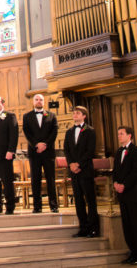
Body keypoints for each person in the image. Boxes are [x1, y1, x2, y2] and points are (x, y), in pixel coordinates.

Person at [113, 125, 137, 264]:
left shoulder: (136, 151)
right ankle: (133, 252)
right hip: (122, 194)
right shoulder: (118, 152)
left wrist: (124, 185)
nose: (119, 136)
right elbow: (116, 170)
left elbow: (136, 171)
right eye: (118, 134)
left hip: (133, 193)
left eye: (121, 133)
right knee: (127, 225)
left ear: (129, 136)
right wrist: (115, 182)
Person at [63, 106, 98, 237]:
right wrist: (71, 164)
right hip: (74, 171)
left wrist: (79, 164)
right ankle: (83, 228)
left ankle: (93, 228)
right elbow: (66, 150)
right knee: (78, 200)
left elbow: (90, 151)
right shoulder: (69, 132)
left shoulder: (90, 131)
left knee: (90, 199)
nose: (75, 115)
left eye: (78, 113)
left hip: (85, 170)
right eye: (74, 113)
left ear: (84, 116)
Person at [22, 93, 59, 213]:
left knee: (51, 179)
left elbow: (54, 132)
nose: (39, 101)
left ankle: (54, 205)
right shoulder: (27, 116)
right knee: (35, 179)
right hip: (34, 152)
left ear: (44, 102)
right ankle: (37, 206)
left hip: (48, 152)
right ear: (33, 102)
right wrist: (36, 145)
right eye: (36, 99)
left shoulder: (51, 115)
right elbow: (27, 133)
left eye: (41, 100)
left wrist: (45, 145)